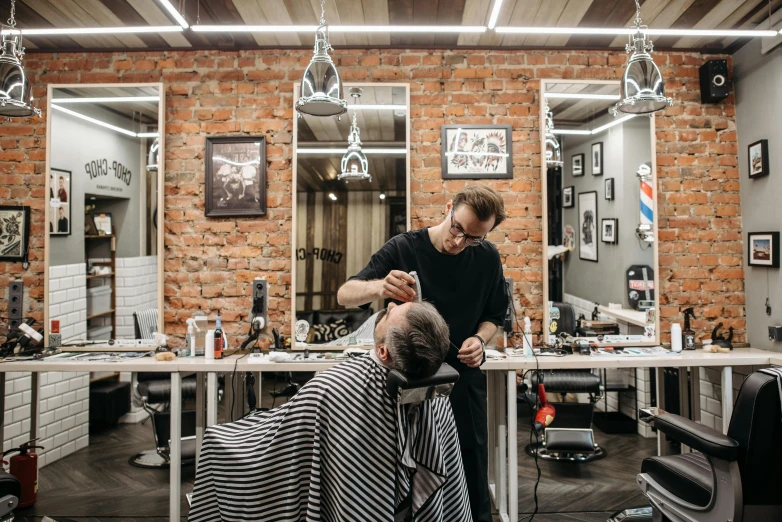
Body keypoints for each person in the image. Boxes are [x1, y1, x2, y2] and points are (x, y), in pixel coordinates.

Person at [189, 301, 471, 522]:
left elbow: (278, 444)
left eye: (390, 315)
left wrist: (224, 436)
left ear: (384, 353)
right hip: (405, 507)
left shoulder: (330, 388)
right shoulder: (437, 394)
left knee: (218, 440)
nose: (391, 305)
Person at [337, 184, 507, 522]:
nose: (460, 241)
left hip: (462, 379)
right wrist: (379, 286)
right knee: (410, 474)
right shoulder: (404, 247)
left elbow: (495, 316)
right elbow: (345, 294)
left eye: (473, 238)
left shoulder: (487, 257)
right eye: (458, 228)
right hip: (409, 384)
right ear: (448, 207)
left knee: (470, 472)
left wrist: (480, 339)